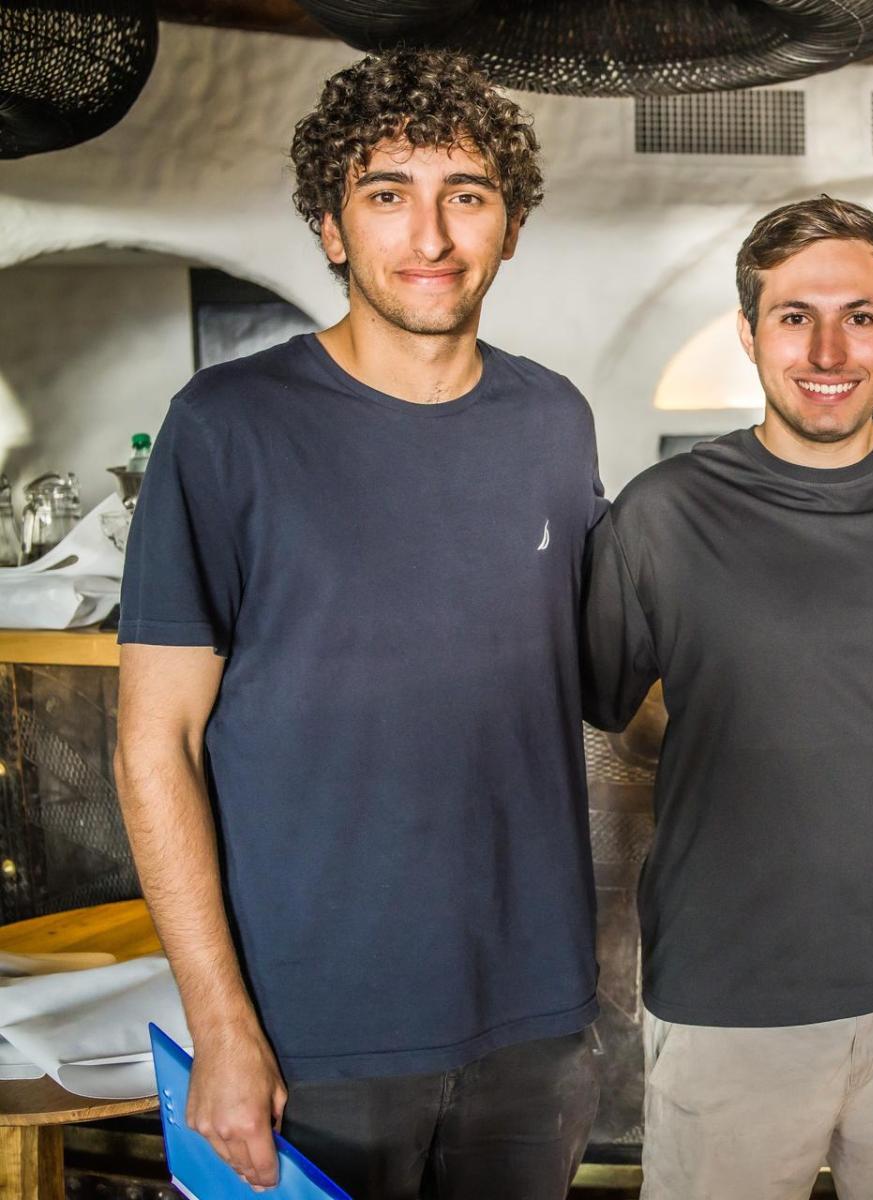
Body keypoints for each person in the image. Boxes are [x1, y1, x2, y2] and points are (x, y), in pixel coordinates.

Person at [113, 50, 603, 1199]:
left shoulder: (555, 417)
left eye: (466, 194)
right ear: (331, 229)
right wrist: (220, 1024)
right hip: (311, 1032)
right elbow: (153, 744)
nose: (431, 235)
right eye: (388, 194)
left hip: (534, 1019)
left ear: (510, 227)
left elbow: (590, 658)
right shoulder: (225, 425)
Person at [581, 196, 873, 1200]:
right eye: (794, 317)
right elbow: (607, 713)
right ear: (748, 332)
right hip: (726, 994)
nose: (828, 350)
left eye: (860, 316)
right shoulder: (662, 514)